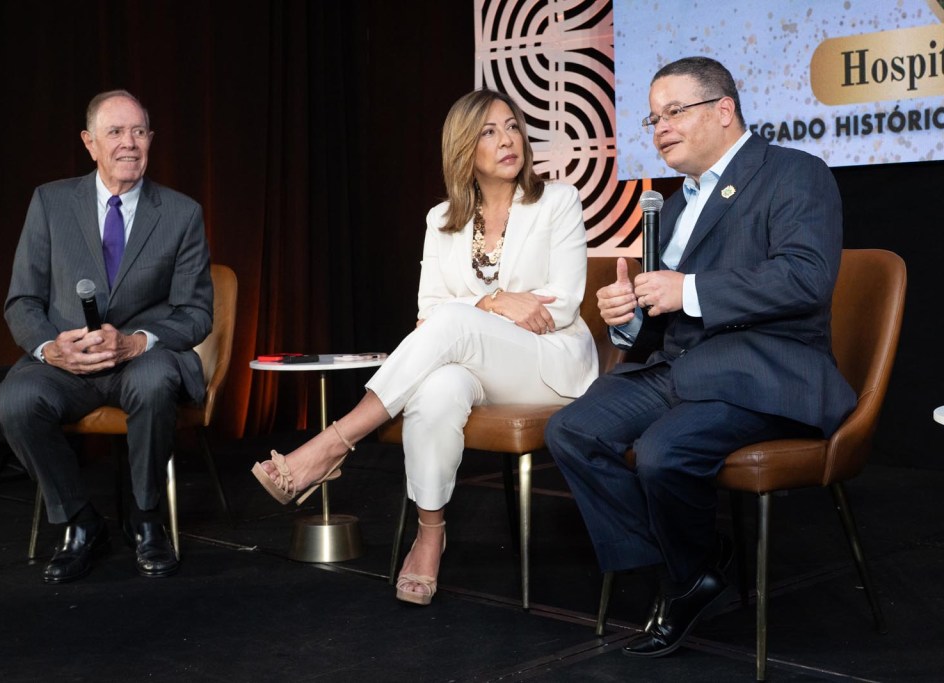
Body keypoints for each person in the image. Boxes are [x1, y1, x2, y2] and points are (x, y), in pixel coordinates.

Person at [545, 56, 857, 658]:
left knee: (664, 453)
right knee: (572, 431)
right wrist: (630, 313)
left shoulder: (795, 173)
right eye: (653, 117)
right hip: (678, 365)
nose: (660, 127)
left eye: (674, 112)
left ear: (723, 110)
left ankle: (682, 579)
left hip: (764, 368)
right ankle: (689, 570)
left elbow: (806, 278)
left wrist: (683, 289)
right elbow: (661, 312)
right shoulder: (671, 202)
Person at [252, 88, 595, 605]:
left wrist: (475, 309)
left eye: (512, 126)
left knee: (455, 322)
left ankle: (329, 446)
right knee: (436, 390)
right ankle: (430, 531)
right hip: (475, 362)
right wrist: (496, 303)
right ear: (463, 150)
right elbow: (427, 313)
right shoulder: (441, 220)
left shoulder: (558, 202)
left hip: (548, 364)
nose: (508, 140)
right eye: (489, 132)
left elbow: (561, 305)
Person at [0, 90, 213, 583]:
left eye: (138, 132)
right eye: (115, 132)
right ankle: (79, 522)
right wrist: (52, 348)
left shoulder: (181, 214)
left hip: (141, 360)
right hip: (66, 363)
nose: (128, 144)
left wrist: (137, 340)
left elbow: (196, 314)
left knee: (156, 383)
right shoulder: (50, 202)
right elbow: (22, 301)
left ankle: (146, 518)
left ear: (151, 140)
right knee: (16, 399)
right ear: (90, 143)